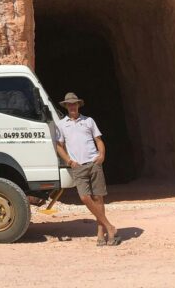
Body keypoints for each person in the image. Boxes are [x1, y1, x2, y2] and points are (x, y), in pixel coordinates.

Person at [55, 92, 121, 246]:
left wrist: (102, 155)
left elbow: (98, 140)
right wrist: (69, 161)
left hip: (93, 163)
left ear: (78, 105)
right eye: (69, 104)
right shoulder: (61, 124)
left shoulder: (88, 121)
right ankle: (109, 226)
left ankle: (101, 233)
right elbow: (59, 146)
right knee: (85, 197)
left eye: (75, 103)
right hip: (78, 166)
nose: (72, 106)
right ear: (66, 106)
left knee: (98, 198)